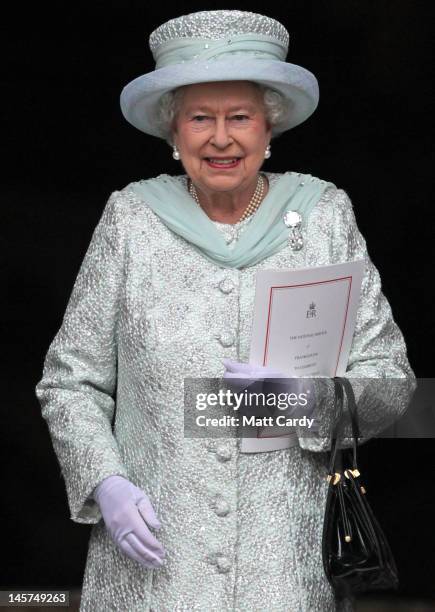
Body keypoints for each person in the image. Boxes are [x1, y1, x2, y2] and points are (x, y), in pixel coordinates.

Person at [35, 10, 415, 612]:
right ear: (173, 133)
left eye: (240, 117)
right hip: (154, 566)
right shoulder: (131, 220)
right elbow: (70, 380)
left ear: (271, 128)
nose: (220, 138)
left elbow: (394, 384)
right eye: (200, 118)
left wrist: (308, 399)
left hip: (282, 571)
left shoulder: (322, 217)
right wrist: (103, 480)